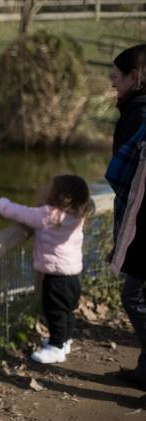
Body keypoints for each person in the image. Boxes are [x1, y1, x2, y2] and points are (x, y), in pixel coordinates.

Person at [0, 175, 92, 364]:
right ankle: (64, 341)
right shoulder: (77, 214)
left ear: (58, 195)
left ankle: (56, 348)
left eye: (48, 186)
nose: (43, 187)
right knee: (66, 312)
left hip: (56, 277)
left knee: (55, 313)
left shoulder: (48, 215)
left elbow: (20, 212)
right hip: (73, 276)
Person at [105, 44, 146, 390]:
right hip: (135, 223)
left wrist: (124, 241)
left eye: (116, 77)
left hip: (140, 225)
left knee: (134, 295)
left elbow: (125, 181)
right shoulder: (133, 110)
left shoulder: (138, 114)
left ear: (135, 77)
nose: (111, 83)